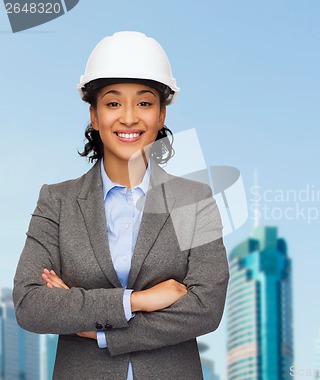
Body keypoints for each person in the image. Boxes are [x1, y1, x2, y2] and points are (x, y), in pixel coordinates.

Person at [13, 31, 229, 379]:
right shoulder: (57, 202)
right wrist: (136, 301)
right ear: (95, 116)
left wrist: (99, 332)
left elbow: (206, 308)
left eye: (144, 103)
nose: (129, 118)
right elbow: (30, 305)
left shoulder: (195, 200)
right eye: (113, 103)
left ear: (161, 116)